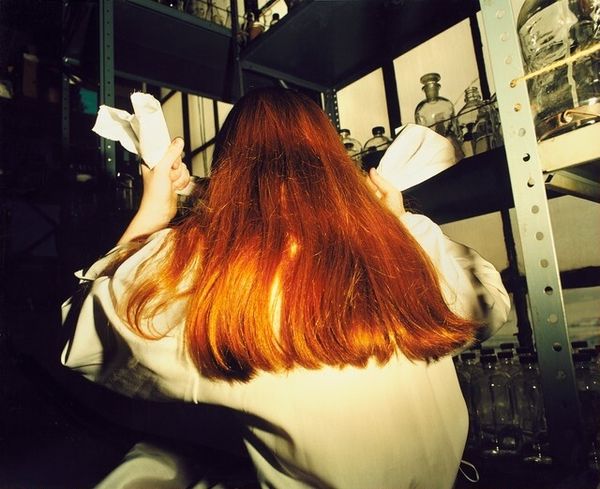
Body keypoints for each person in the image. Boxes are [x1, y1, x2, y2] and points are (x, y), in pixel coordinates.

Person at [61, 87, 510, 489]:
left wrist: (153, 216)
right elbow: (491, 300)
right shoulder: (404, 246)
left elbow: (80, 341)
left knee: (151, 465)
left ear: (229, 166)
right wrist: (399, 222)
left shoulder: (207, 268)